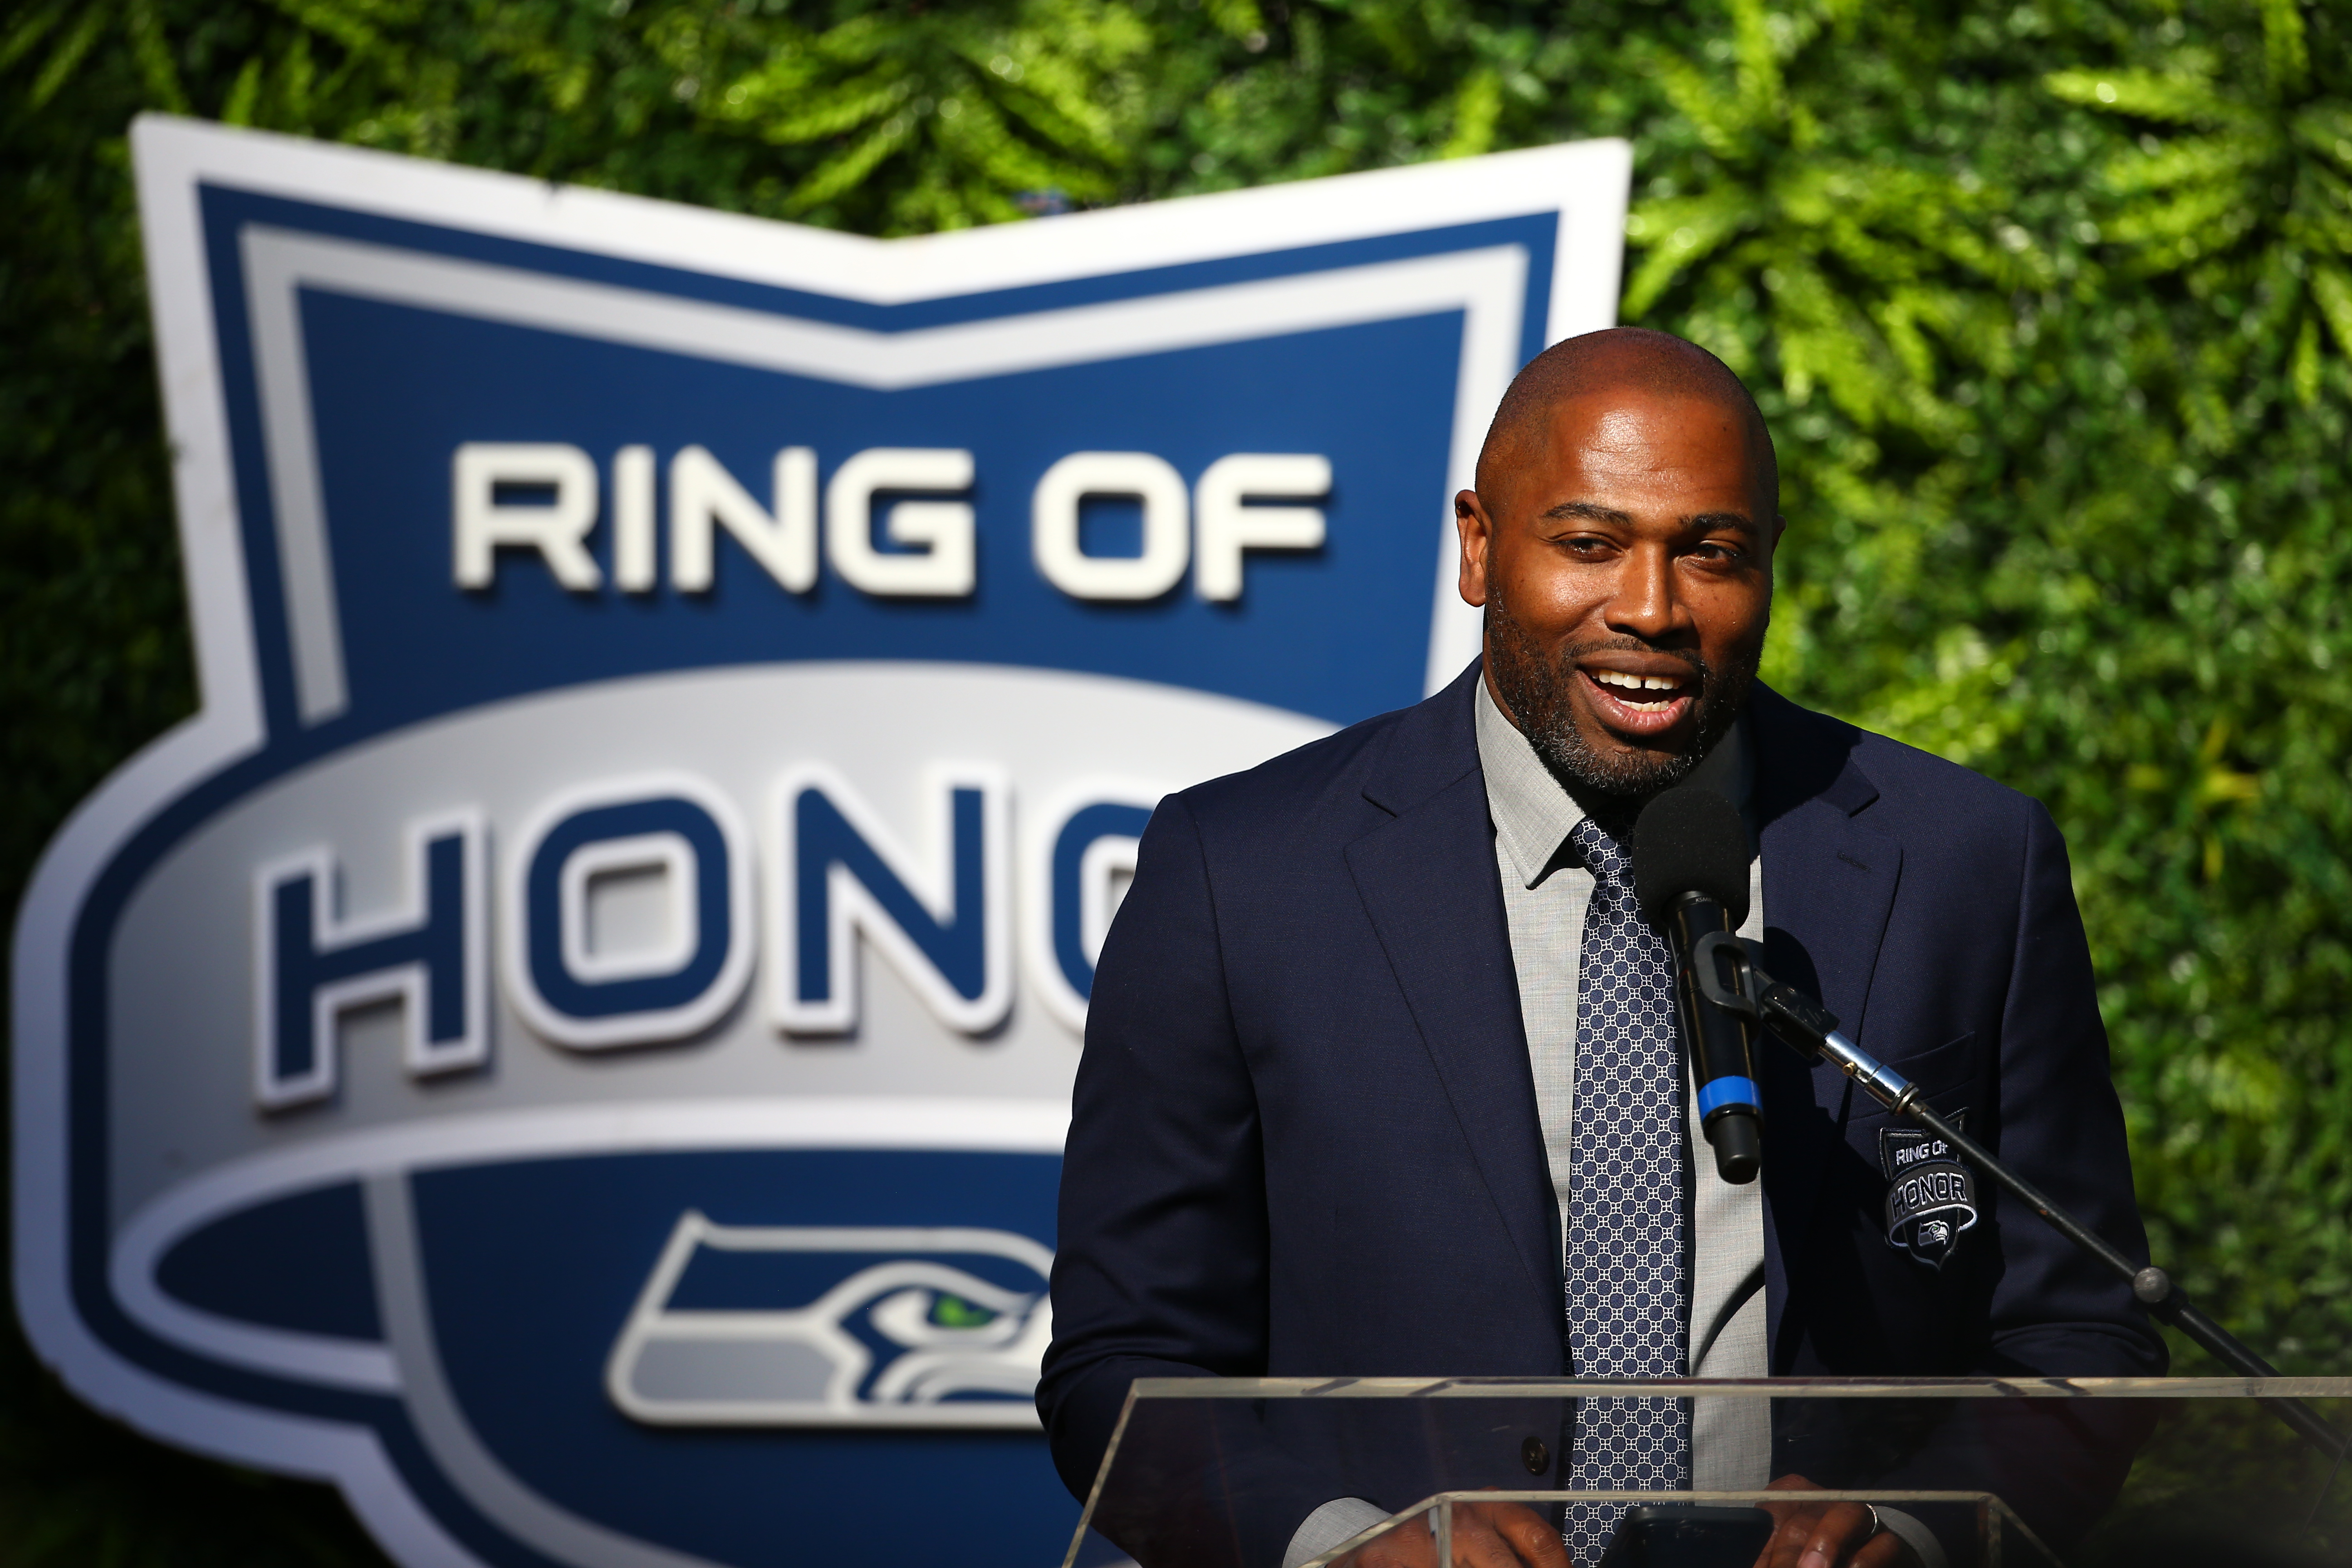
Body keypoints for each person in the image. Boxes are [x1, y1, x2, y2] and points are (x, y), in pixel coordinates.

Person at [1037, 328, 2165, 1568]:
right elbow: (1124, 1370)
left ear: (1770, 566)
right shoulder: (1240, 873)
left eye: (1711, 554)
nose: (1651, 608)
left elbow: (2081, 1340)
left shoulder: (1967, 864)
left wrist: (1915, 1528)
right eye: (1588, 544)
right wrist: (1342, 1549)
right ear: (1480, 546)